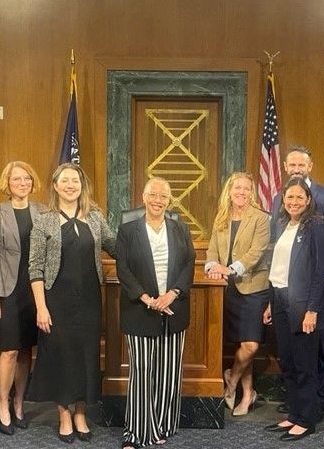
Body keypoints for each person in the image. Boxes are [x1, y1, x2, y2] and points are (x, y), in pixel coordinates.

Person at [27, 163, 116, 443]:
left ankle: (81, 412)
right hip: (56, 301)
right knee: (62, 357)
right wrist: (41, 307)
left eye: (75, 181)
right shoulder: (44, 220)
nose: (70, 185)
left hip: (89, 300)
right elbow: (35, 268)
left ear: (82, 185)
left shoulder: (95, 216)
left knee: (86, 356)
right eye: (64, 181)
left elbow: (116, 245)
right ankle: (64, 414)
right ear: (55, 186)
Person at [115, 177, 196, 449]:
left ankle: (161, 425)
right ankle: (136, 432)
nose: (158, 200)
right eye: (153, 195)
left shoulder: (180, 229)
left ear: (169, 200)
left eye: (163, 196)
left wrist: (171, 294)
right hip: (140, 309)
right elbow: (123, 270)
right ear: (143, 196)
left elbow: (189, 265)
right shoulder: (128, 230)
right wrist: (148, 299)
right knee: (142, 371)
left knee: (169, 372)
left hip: (174, 308)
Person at [270, 146, 324, 419]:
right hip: (284, 294)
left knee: (319, 350)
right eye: (291, 166)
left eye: (301, 165)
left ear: (309, 167)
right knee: (293, 355)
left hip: (315, 290)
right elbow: (276, 249)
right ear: (286, 167)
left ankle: (317, 405)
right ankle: (300, 407)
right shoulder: (281, 202)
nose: (296, 170)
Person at [263, 177, 324, 441]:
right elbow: (277, 268)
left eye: (299, 198)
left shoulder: (317, 225)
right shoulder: (281, 224)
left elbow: (319, 272)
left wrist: (312, 310)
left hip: (303, 305)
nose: (294, 202)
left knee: (304, 364)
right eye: (290, 197)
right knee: (288, 362)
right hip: (279, 300)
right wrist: (270, 302)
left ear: (308, 200)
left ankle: (307, 420)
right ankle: (293, 414)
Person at [0, 161, 45, 435]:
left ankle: (19, 403)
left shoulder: (43, 212)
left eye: (26, 179)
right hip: (8, 290)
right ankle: (2, 405)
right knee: (8, 350)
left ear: (33, 182)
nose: (22, 183)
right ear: (6, 183)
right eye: (16, 179)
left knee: (26, 351)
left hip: (35, 291)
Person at [205, 172, 270, 416]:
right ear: (229, 191)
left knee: (251, 345)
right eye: (237, 188)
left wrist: (229, 269)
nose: (241, 192)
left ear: (251, 192)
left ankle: (231, 380)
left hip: (254, 288)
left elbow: (257, 252)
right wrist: (213, 268)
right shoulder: (221, 218)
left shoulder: (261, 218)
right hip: (228, 290)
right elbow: (212, 252)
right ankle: (247, 395)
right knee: (242, 343)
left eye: (246, 189)